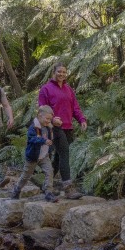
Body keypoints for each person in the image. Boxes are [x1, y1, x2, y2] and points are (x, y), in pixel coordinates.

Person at [37, 62, 87, 199]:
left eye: (64, 72)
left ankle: (48, 184)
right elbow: (42, 110)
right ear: (54, 72)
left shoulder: (68, 89)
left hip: (68, 127)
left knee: (58, 157)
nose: (62, 74)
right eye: (59, 71)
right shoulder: (46, 89)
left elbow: (75, 107)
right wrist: (52, 120)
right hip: (54, 128)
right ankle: (68, 188)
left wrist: (82, 120)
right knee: (64, 153)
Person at [11, 105, 58, 202]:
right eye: (47, 118)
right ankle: (17, 189)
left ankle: (48, 192)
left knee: (49, 172)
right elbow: (32, 139)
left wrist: (51, 145)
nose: (49, 121)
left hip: (44, 156)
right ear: (40, 116)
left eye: (50, 119)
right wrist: (43, 141)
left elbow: (50, 139)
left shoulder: (48, 128)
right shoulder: (33, 127)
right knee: (26, 175)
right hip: (33, 156)